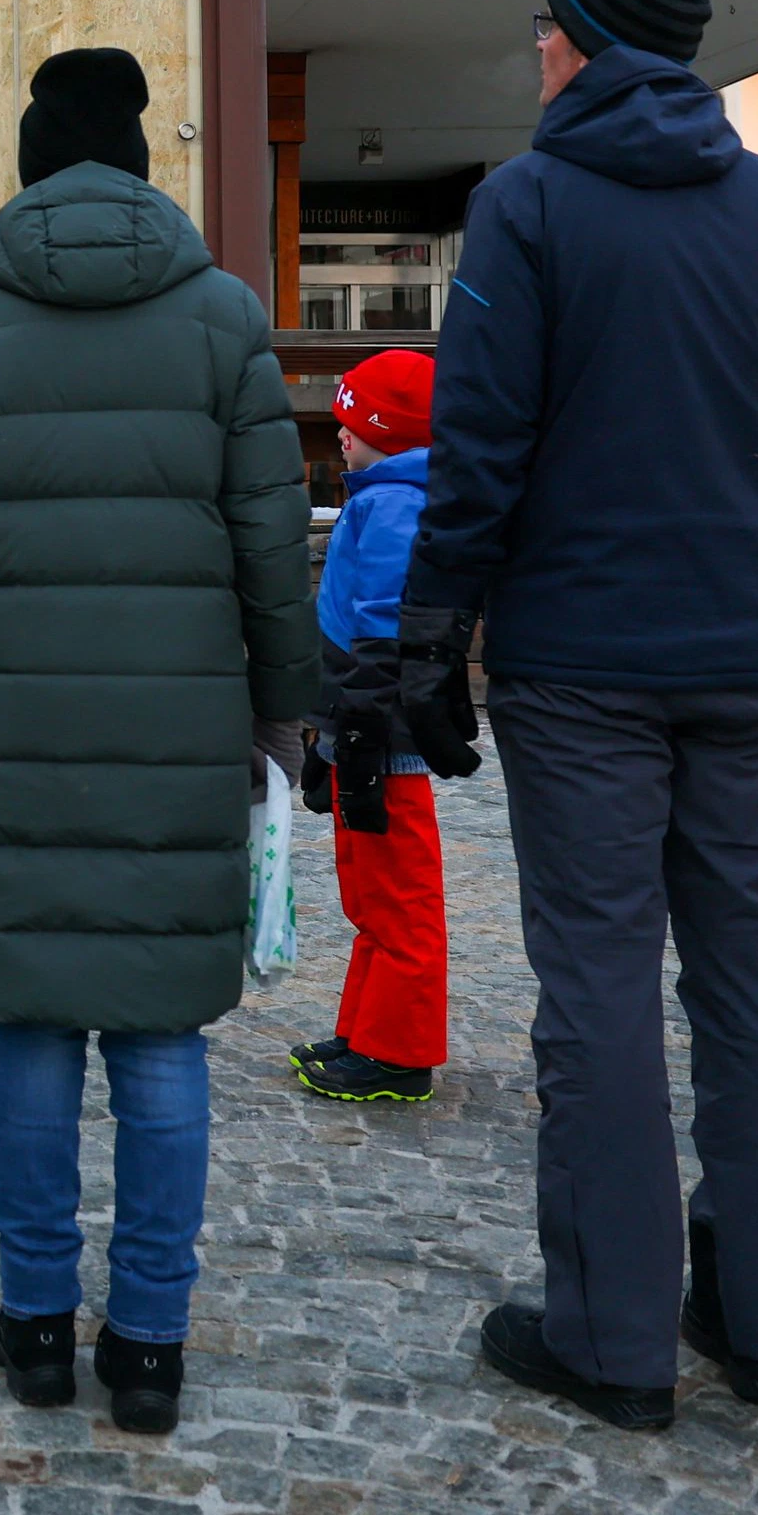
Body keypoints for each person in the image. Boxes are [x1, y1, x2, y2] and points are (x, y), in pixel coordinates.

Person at [391, 0, 758, 1430]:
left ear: (591, 40)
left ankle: (612, 1338)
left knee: (597, 985)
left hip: (584, 658)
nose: (534, 47)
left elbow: (480, 452)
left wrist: (428, 640)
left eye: (548, 24)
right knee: (755, 975)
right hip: (750, 652)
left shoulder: (527, 206)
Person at [0, 45, 319, 1435]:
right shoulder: (225, 319)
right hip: (178, 722)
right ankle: (149, 1341)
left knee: (31, 1016)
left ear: (27, 163)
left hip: (9, 718)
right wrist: (283, 706)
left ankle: (34, 1325)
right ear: (139, 163)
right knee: (161, 1032)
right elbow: (269, 539)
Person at [293, 348, 444, 1105]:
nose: (340, 435)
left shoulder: (393, 505)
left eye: (352, 422)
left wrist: (354, 730)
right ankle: (367, 1031)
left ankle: (400, 1052)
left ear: (386, 429)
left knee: (397, 893)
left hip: (380, 736)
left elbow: (383, 624)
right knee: (370, 890)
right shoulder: (380, 497)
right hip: (360, 726)